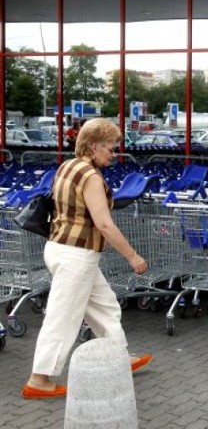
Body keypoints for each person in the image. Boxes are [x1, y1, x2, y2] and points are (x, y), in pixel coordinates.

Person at [23, 118, 153, 400]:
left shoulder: (68, 166)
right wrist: (133, 256)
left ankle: (119, 358)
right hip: (77, 255)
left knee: (105, 308)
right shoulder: (92, 177)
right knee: (63, 318)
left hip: (61, 248)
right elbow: (104, 224)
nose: (114, 154)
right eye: (110, 148)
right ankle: (39, 379)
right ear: (94, 146)